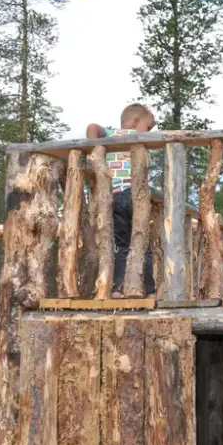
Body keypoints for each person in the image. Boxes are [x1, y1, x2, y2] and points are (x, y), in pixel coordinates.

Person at [86, 103, 157, 299]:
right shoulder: (129, 136)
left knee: (122, 245)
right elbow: (93, 126)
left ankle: (118, 289)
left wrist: (94, 147)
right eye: (148, 127)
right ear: (135, 122)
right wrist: (94, 152)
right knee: (143, 245)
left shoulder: (110, 134)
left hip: (115, 196)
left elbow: (92, 127)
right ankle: (149, 290)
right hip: (135, 195)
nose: (149, 132)